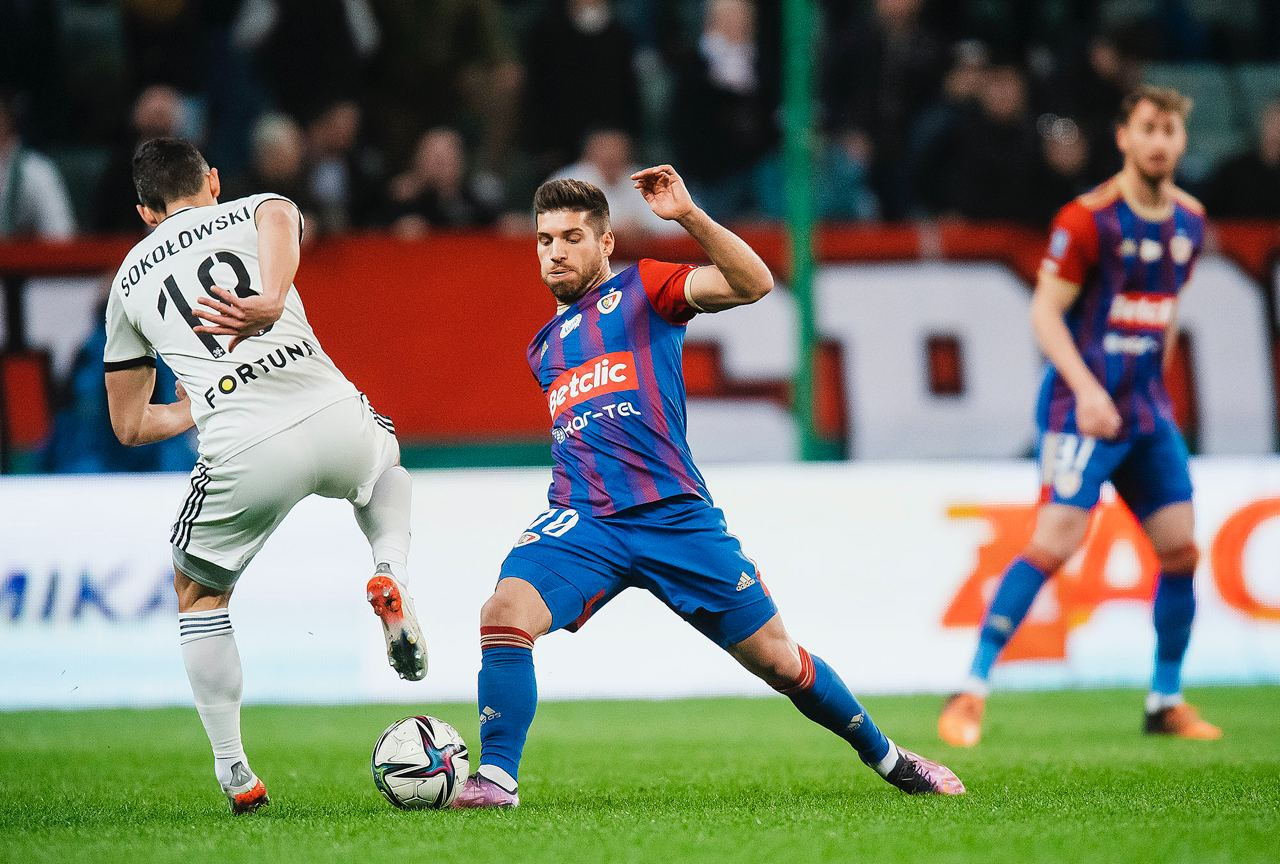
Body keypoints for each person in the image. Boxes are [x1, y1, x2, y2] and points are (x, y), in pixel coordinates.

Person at [452, 170, 965, 808]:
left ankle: (889, 757)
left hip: (674, 517)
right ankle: (496, 780)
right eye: (544, 239)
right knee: (504, 613)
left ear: (606, 242)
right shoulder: (544, 349)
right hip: (585, 521)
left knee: (779, 661)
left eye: (571, 237)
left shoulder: (642, 289)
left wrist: (689, 216)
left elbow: (754, 283)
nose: (555, 252)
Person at [102, 138, 425, 814]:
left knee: (198, 594)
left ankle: (235, 772)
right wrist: (272, 298)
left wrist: (193, 404)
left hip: (245, 445)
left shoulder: (129, 278)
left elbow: (129, 425)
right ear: (212, 181)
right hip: (330, 411)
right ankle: (389, 568)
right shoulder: (253, 206)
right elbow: (282, 214)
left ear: (145, 212)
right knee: (384, 466)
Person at [937, 86, 1222, 748]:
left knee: (1181, 549)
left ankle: (1165, 700)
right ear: (1123, 137)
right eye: (1147, 128)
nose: (1159, 142)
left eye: (1170, 130)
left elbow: (1166, 307)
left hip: (1145, 413)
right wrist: (1089, 390)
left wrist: (1154, 386)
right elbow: (1044, 312)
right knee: (1054, 542)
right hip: (1079, 409)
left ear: (1182, 141)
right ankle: (971, 688)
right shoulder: (1088, 220)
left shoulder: (1190, 221)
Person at [1202, 99, 1280, 220]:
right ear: (1263, 123)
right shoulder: (1232, 170)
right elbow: (1210, 216)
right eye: (1273, 122)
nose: (1276, 131)